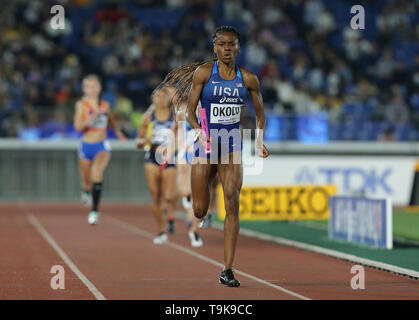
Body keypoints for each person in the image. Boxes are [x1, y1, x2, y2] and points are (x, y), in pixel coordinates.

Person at [159, 26, 270, 287]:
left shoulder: (249, 79)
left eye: (231, 44)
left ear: (238, 47)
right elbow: (189, 112)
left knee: (232, 203)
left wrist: (259, 141)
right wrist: (198, 130)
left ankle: (228, 269)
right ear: (215, 47)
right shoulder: (204, 74)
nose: (227, 48)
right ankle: (205, 194)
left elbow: (261, 114)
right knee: (199, 210)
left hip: (231, 143)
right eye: (222, 44)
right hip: (206, 145)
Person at [73, 74, 126, 225]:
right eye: (89, 86)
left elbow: (109, 119)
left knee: (96, 173)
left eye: (95, 86)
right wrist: (92, 116)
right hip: (86, 145)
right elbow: (77, 126)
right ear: (84, 89)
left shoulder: (105, 105)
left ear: (100, 88)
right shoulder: (81, 105)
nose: (92, 89)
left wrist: (117, 131)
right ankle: (86, 191)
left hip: (101, 145)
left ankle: (94, 212)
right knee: (86, 181)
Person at [136, 88, 177, 244]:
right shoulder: (148, 118)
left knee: (169, 196)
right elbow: (139, 140)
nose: (160, 99)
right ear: (153, 99)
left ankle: (169, 213)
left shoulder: (175, 117)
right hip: (152, 156)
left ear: (168, 99)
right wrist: (144, 142)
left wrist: (172, 149)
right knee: (155, 195)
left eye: (163, 96)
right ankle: (161, 230)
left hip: (168, 157)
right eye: (157, 96)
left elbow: (182, 137)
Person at [176, 99, 203, 247]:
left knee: (198, 194)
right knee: (184, 190)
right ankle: (186, 199)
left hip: (200, 153)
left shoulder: (207, 109)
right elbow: (179, 130)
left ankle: (194, 230)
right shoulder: (182, 109)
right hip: (184, 152)